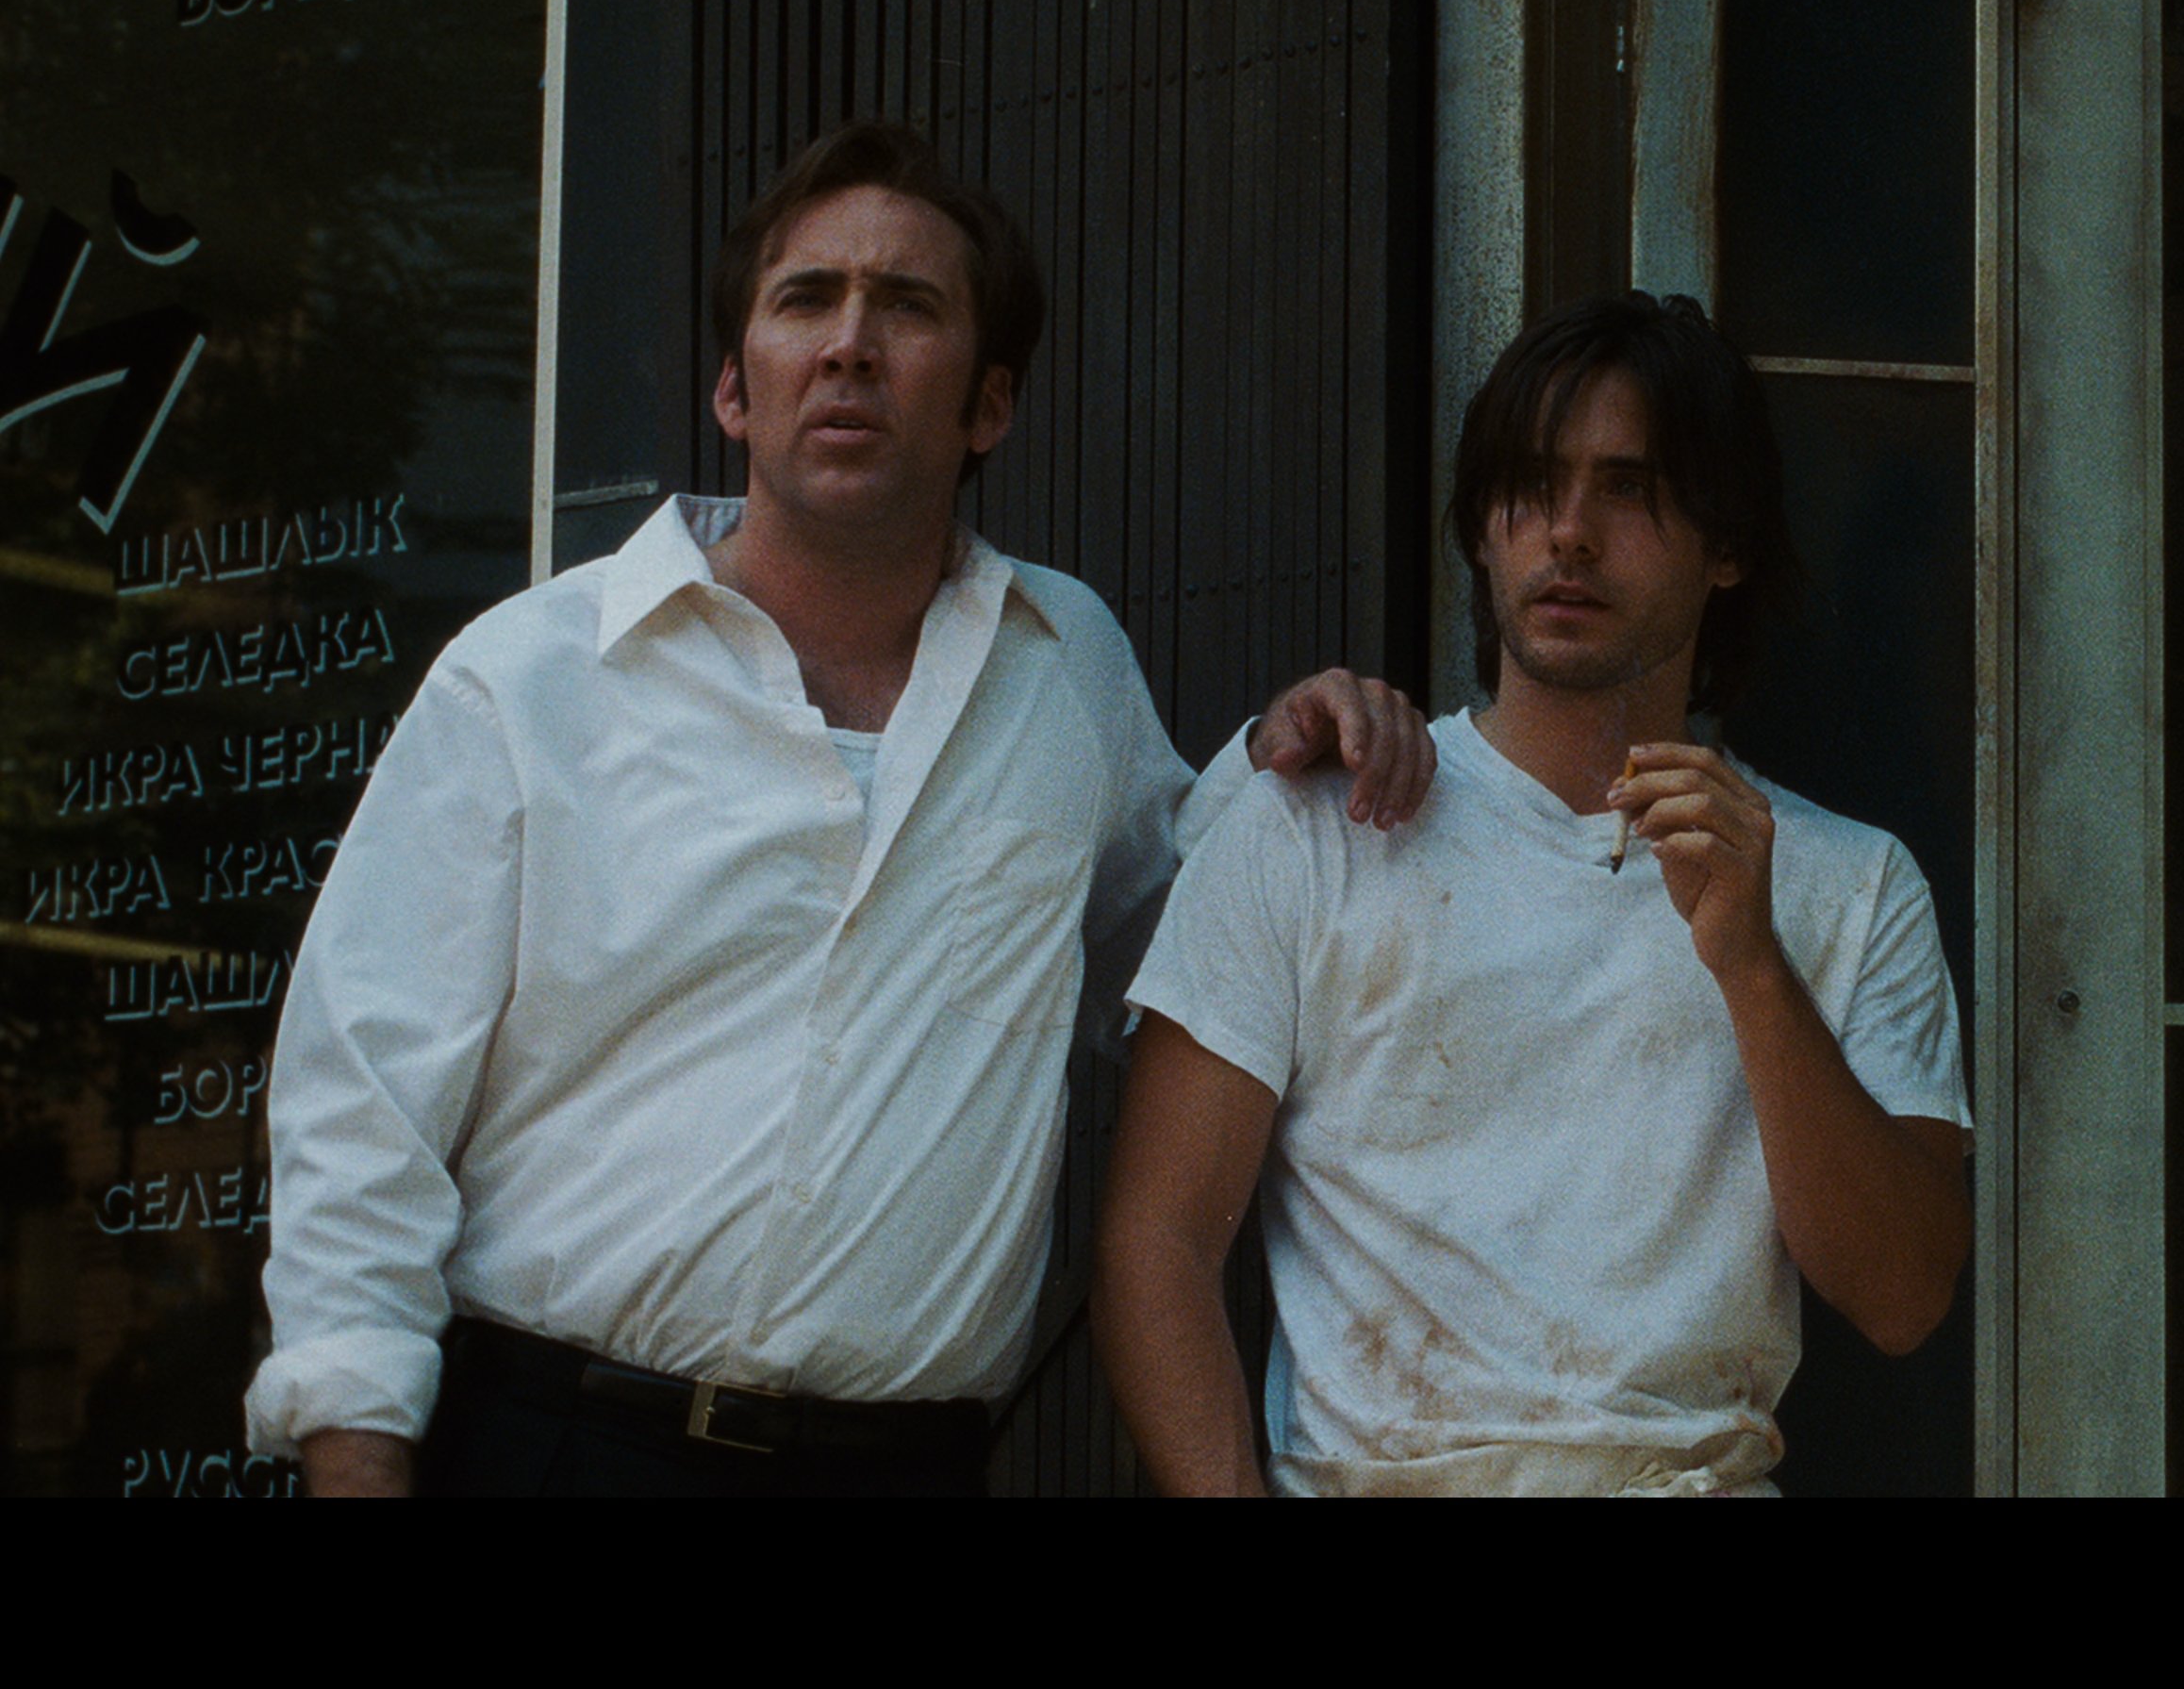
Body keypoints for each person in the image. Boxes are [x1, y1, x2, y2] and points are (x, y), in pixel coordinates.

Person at [244, 121, 1433, 1497]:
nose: (851, 344)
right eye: (807, 298)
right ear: (734, 388)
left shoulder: (1067, 673)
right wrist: (356, 1459)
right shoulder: (530, 678)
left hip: (905, 1468)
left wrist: (1288, 764)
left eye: (908, 307)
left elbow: (1191, 968)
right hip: (549, 1445)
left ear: (990, 406)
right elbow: (363, 1097)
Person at [1097, 290, 1970, 1495]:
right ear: (1480, 530)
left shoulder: (1850, 881)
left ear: (1727, 546)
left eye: (1629, 487)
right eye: (1531, 484)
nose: (1569, 533)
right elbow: (1156, 1242)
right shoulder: (1313, 825)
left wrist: (1751, 965)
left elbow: (1904, 1297)